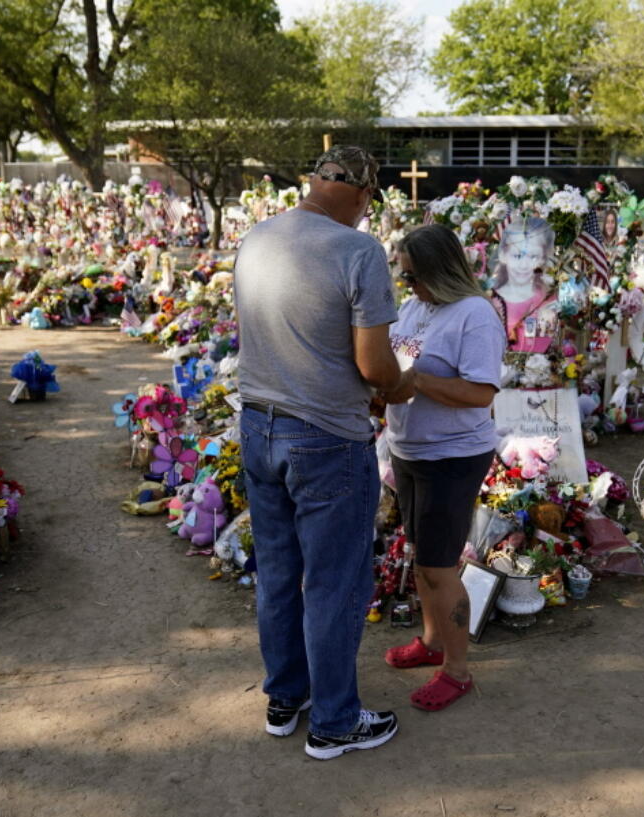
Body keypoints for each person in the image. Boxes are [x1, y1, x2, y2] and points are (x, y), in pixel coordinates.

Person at [234, 145, 405, 760]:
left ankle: (287, 698)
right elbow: (373, 364)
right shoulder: (357, 249)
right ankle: (334, 722)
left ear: (314, 182)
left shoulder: (257, 237)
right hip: (326, 436)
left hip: (258, 425)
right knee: (334, 581)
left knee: (279, 571)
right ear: (363, 196)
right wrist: (399, 384)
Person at [381, 224, 506, 711]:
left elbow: (480, 394)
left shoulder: (475, 315)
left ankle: (456, 670)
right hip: (410, 450)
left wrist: (419, 383)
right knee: (421, 557)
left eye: (413, 276)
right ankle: (431, 641)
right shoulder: (415, 308)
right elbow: (399, 364)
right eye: (404, 276)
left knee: (440, 565)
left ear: (439, 271)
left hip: (451, 457)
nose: (407, 285)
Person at [489, 217, 558, 352]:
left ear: (542, 258)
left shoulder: (548, 300)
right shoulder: (490, 299)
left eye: (533, 257)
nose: (524, 265)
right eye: (517, 256)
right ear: (503, 255)